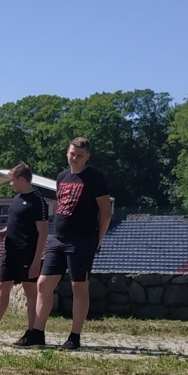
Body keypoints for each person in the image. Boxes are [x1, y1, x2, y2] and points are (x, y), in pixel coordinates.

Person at [29, 137, 112, 350]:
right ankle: (37, 332)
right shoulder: (62, 177)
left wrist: (98, 240)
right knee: (43, 284)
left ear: (87, 157)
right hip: (58, 238)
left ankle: (74, 336)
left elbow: (105, 213)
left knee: (78, 286)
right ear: (67, 152)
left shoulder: (95, 178)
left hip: (83, 239)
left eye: (79, 155)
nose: (74, 158)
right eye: (72, 153)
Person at [0, 164, 50, 344]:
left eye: (12, 180)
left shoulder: (38, 201)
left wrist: (36, 262)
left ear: (22, 179)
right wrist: (5, 231)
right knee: (1, 288)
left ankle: (33, 332)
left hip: (28, 253)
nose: (10, 184)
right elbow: (17, 222)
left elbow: (43, 233)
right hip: (10, 252)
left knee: (30, 291)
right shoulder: (17, 198)